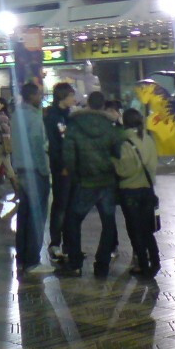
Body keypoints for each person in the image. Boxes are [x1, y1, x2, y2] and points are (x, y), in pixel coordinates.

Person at [62, 90, 121, 278]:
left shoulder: (75, 124)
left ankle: (75, 263)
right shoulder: (109, 125)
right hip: (106, 181)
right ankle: (102, 264)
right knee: (108, 223)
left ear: (88, 104)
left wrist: (73, 173)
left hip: (84, 181)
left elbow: (69, 153)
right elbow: (118, 150)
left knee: (73, 220)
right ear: (103, 105)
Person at [114, 108, 160, 279]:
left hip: (130, 191)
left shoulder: (125, 141)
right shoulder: (148, 139)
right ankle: (155, 261)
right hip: (147, 189)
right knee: (147, 229)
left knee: (135, 230)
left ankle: (142, 264)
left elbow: (124, 170)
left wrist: (113, 161)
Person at [11, 82, 51, 274]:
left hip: (21, 168)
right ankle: (32, 261)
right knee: (36, 216)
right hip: (35, 170)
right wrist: (45, 170)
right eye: (39, 94)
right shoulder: (34, 116)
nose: (41, 97)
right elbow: (37, 145)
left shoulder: (16, 114)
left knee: (24, 214)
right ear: (32, 95)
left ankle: (22, 257)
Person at [43, 82, 74, 262]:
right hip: (61, 167)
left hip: (71, 166)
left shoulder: (68, 115)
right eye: (70, 95)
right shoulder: (53, 117)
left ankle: (70, 245)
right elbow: (55, 145)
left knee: (70, 205)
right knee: (60, 204)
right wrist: (62, 164)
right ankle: (55, 243)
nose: (73, 99)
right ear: (62, 97)